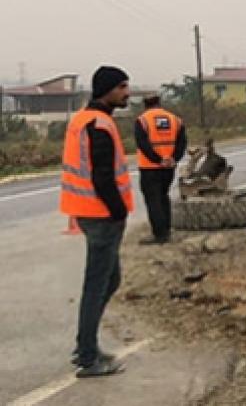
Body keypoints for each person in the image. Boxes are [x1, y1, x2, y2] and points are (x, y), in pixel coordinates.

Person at [61, 66, 134, 378]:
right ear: (107, 90)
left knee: (109, 279)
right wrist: (118, 211)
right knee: (97, 283)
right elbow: (102, 176)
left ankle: (85, 345)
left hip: (88, 211)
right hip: (101, 215)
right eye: (121, 87)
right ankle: (88, 357)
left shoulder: (84, 119)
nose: (126, 92)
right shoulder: (99, 124)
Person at [134, 94, 187, 244]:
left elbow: (142, 144)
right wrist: (173, 159)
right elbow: (182, 143)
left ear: (145, 104)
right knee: (163, 196)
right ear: (159, 103)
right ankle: (166, 230)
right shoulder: (175, 119)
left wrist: (158, 160)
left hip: (149, 167)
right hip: (168, 168)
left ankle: (159, 234)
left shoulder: (142, 120)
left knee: (153, 200)